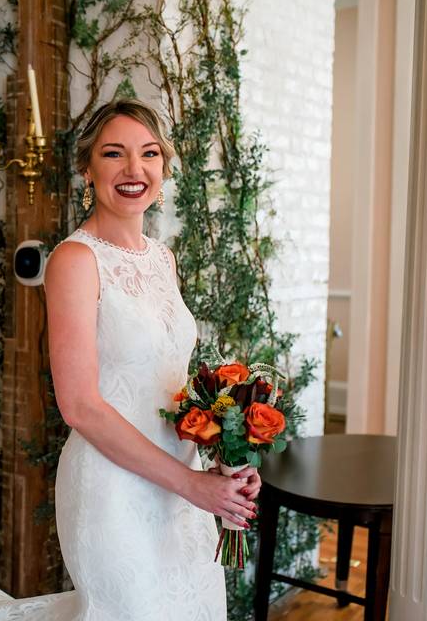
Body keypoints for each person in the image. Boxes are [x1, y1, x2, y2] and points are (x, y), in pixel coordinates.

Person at [44, 100, 260, 619]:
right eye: (113, 154)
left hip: (184, 488)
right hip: (112, 492)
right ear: (87, 168)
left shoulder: (163, 258)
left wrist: (223, 460)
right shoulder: (74, 261)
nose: (133, 170)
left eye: (149, 154)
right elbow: (79, 406)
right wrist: (193, 485)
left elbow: (173, 385)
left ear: (164, 166)